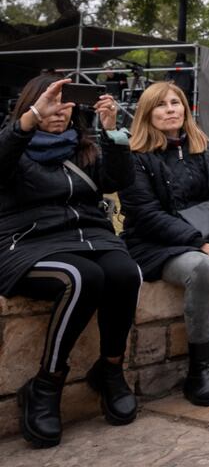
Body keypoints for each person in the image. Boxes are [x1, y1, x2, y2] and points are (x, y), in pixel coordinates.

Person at [0, 76, 140, 448]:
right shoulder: (14, 144)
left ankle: (110, 369)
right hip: (28, 244)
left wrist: (112, 133)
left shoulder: (83, 147)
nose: (59, 112)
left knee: (126, 273)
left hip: (90, 238)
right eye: (50, 104)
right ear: (32, 105)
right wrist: (29, 120)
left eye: (66, 104)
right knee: (82, 278)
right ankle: (46, 384)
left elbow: (117, 181)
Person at [119, 81, 209, 407]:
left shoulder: (203, 148)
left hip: (208, 239)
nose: (171, 110)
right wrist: (199, 245)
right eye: (161, 105)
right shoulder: (135, 158)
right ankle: (199, 371)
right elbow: (146, 215)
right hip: (157, 244)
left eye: (176, 103)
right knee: (203, 268)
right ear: (147, 114)